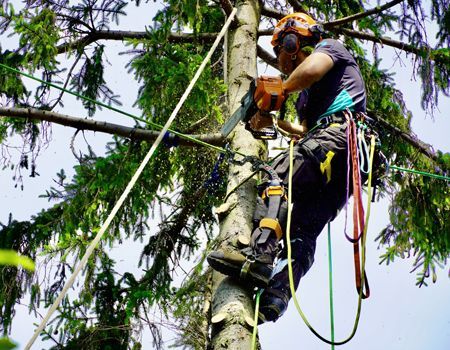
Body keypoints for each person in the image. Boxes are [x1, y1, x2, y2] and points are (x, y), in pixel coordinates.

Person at [208, 12, 372, 323]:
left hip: (340, 138)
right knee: (303, 228)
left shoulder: (329, 49)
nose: (279, 60)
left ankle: (259, 255)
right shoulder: (307, 97)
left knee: (276, 176)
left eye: (281, 50)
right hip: (341, 162)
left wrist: (279, 89)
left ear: (293, 41)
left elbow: (311, 71)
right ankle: (277, 292)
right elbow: (308, 133)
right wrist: (275, 121)